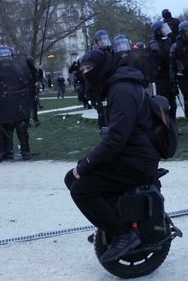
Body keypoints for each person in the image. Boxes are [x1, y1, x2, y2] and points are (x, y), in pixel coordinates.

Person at [64, 49, 161, 264]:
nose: (87, 73)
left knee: (81, 188)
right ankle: (111, 223)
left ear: (102, 67)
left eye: (90, 69)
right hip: (128, 154)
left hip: (137, 160)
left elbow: (116, 139)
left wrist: (86, 165)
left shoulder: (122, 90)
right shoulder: (112, 86)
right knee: (72, 178)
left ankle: (123, 234)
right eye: (84, 69)